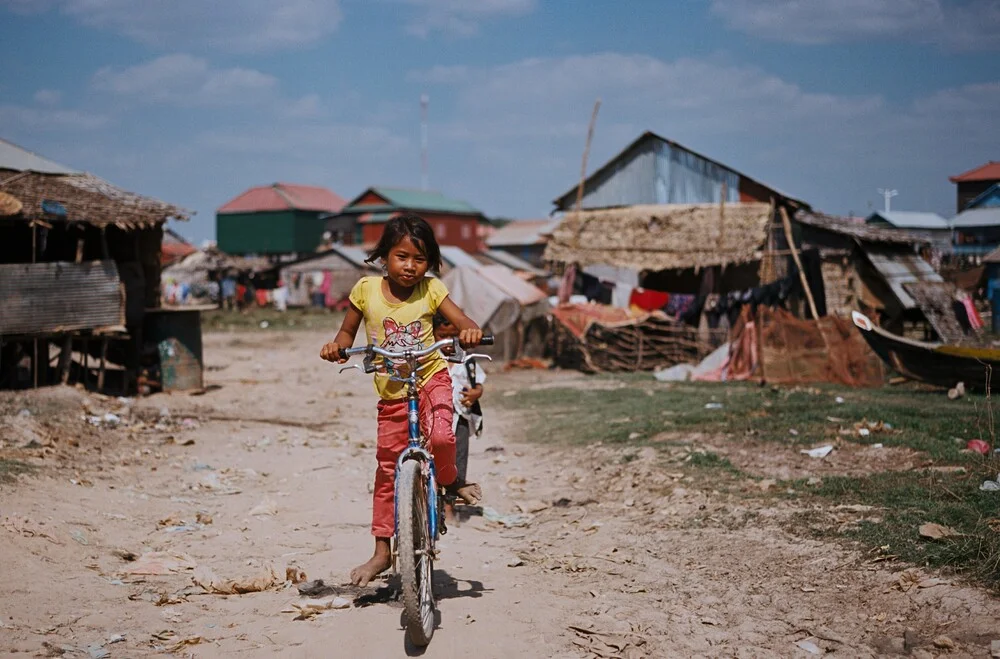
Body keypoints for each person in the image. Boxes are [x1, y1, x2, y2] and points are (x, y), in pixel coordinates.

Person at [319, 213, 484, 587]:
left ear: (430, 262)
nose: (410, 267)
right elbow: (347, 333)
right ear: (384, 257)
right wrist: (337, 348)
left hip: (430, 380)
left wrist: (470, 331)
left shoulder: (432, 291)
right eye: (402, 257)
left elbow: (462, 321)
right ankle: (382, 551)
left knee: (443, 437)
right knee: (387, 474)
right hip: (392, 390)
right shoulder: (364, 290)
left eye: (420, 259)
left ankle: (450, 481)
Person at [432, 312, 486, 523]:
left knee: (457, 461)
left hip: (460, 419)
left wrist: (476, 393)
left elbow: (478, 383)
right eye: (442, 336)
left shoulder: (466, 360)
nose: (448, 342)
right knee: (434, 460)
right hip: (435, 416)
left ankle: (449, 506)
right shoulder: (431, 359)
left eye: (454, 336)